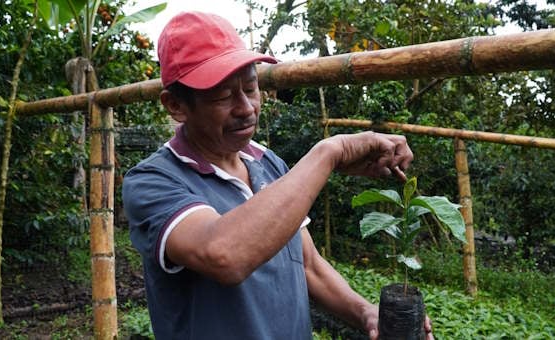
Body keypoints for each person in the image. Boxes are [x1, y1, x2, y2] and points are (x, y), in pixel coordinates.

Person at [122, 11, 433, 340]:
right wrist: (329, 152)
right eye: (223, 95)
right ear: (176, 105)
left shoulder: (268, 163)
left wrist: (365, 312)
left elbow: (308, 263)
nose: (246, 107)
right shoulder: (153, 181)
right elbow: (223, 254)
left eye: (251, 87)